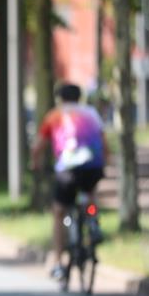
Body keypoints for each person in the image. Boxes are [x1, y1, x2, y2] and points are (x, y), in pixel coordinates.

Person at [31, 81, 108, 280]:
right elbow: (104, 140)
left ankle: (57, 263)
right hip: (93, 166)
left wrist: (35, 165)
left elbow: (38, 146)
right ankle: (93, 222)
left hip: (68, 169)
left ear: (60, 98)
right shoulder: (91, 113)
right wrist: (105, 162)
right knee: (90, 193)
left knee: (59, 211)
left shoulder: (54, 115)